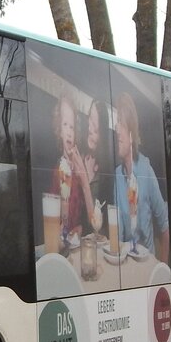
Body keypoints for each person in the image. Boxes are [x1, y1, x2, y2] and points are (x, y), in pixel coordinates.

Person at [113, 92, 169, 262]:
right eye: (116, 124)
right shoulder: (117, 175)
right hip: (126, 266)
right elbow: (118, 235)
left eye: (120, 124)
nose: (117, 131)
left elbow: (164, 227)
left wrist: (163, 272)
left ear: (131, 133)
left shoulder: (146, 170)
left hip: (147, 265)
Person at [51, 90, 98, 246]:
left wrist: (80, 228)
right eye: (65, 125)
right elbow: (52, 217)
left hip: (77, 245)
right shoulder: (57, 171)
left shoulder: (79, 170)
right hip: (61, 245)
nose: (69, 132)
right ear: (59, 130)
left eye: (72, 127)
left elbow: (89, 220)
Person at [81, 100, 109, 236]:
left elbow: (98, 229)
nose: (91, 129)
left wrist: (85, 183)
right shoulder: (78, 156)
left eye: (96, 129)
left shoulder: (106, 172)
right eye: (90, 120)